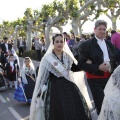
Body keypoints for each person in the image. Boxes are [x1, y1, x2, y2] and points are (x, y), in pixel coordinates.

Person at [30, 34, 91, 120]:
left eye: (61, 41)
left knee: (73, 110)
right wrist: (39, 92)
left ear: (64, 43)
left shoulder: (67, 56)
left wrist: (86, 64)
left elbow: (74, 68)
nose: (59, 44)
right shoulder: (47, 58)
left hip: (69, 86)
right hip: (54, 89)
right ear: (53, 43)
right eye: (57, 41)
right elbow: (42, 76)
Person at [78, 20, 116, 115]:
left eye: (104, 29)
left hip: (109, 79)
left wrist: (112, 65)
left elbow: (115, 58)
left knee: (110, 104)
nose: (102, 31)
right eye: (100, 29)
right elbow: (81, 64)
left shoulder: (109, 44)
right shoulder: (86, 45)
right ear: (94, 30)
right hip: (95, 80)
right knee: (101, 106)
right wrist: (98, 67)